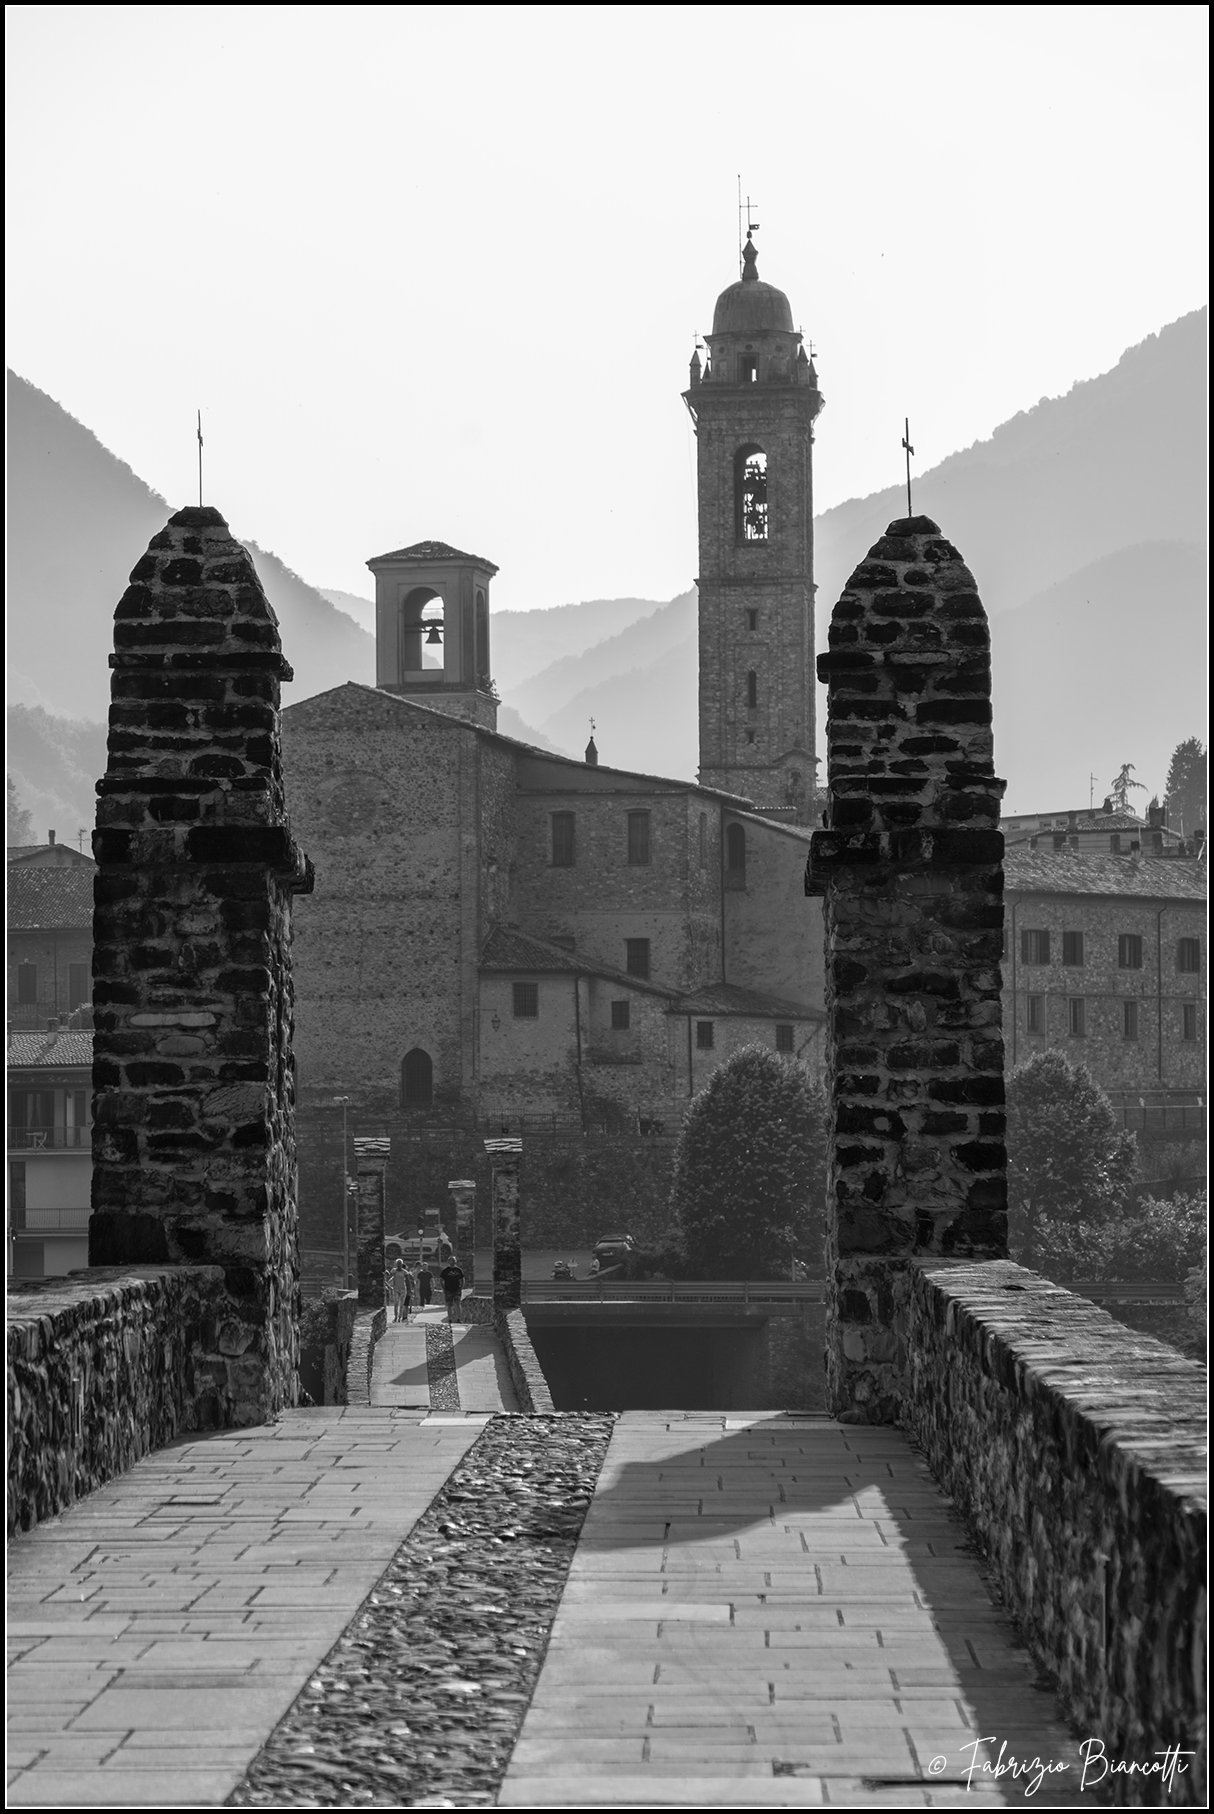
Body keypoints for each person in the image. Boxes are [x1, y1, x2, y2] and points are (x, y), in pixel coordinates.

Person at [439, 1257, 466, 1324]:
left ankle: (459, 1319)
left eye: (454, 1260)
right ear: (448, 1261)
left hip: (457, 1289)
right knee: (449, 1305)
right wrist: (443, 1288)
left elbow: (462, 1279)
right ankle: (450, 1319)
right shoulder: (445, 1270)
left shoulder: (458, 1270)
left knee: (457, 1304)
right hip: (448, 1290)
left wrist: (461, 1287)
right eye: (451, 1260)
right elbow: (441, 1280)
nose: (453, 1261)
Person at [390, 1259, 412, 1324]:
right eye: (398, 1263)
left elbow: (407, 1281)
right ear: (396, 1264)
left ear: (401, 1264)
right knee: (396, 1303)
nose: (399, 1265)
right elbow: (391, 1277)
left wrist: (409, 1289)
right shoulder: (393, 1271)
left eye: (400, 1264)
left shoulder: (405, 1272)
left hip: (403, 1289)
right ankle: (396, 1316)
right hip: (396, 1288)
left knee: (402, 1304)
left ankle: (400, 1317)